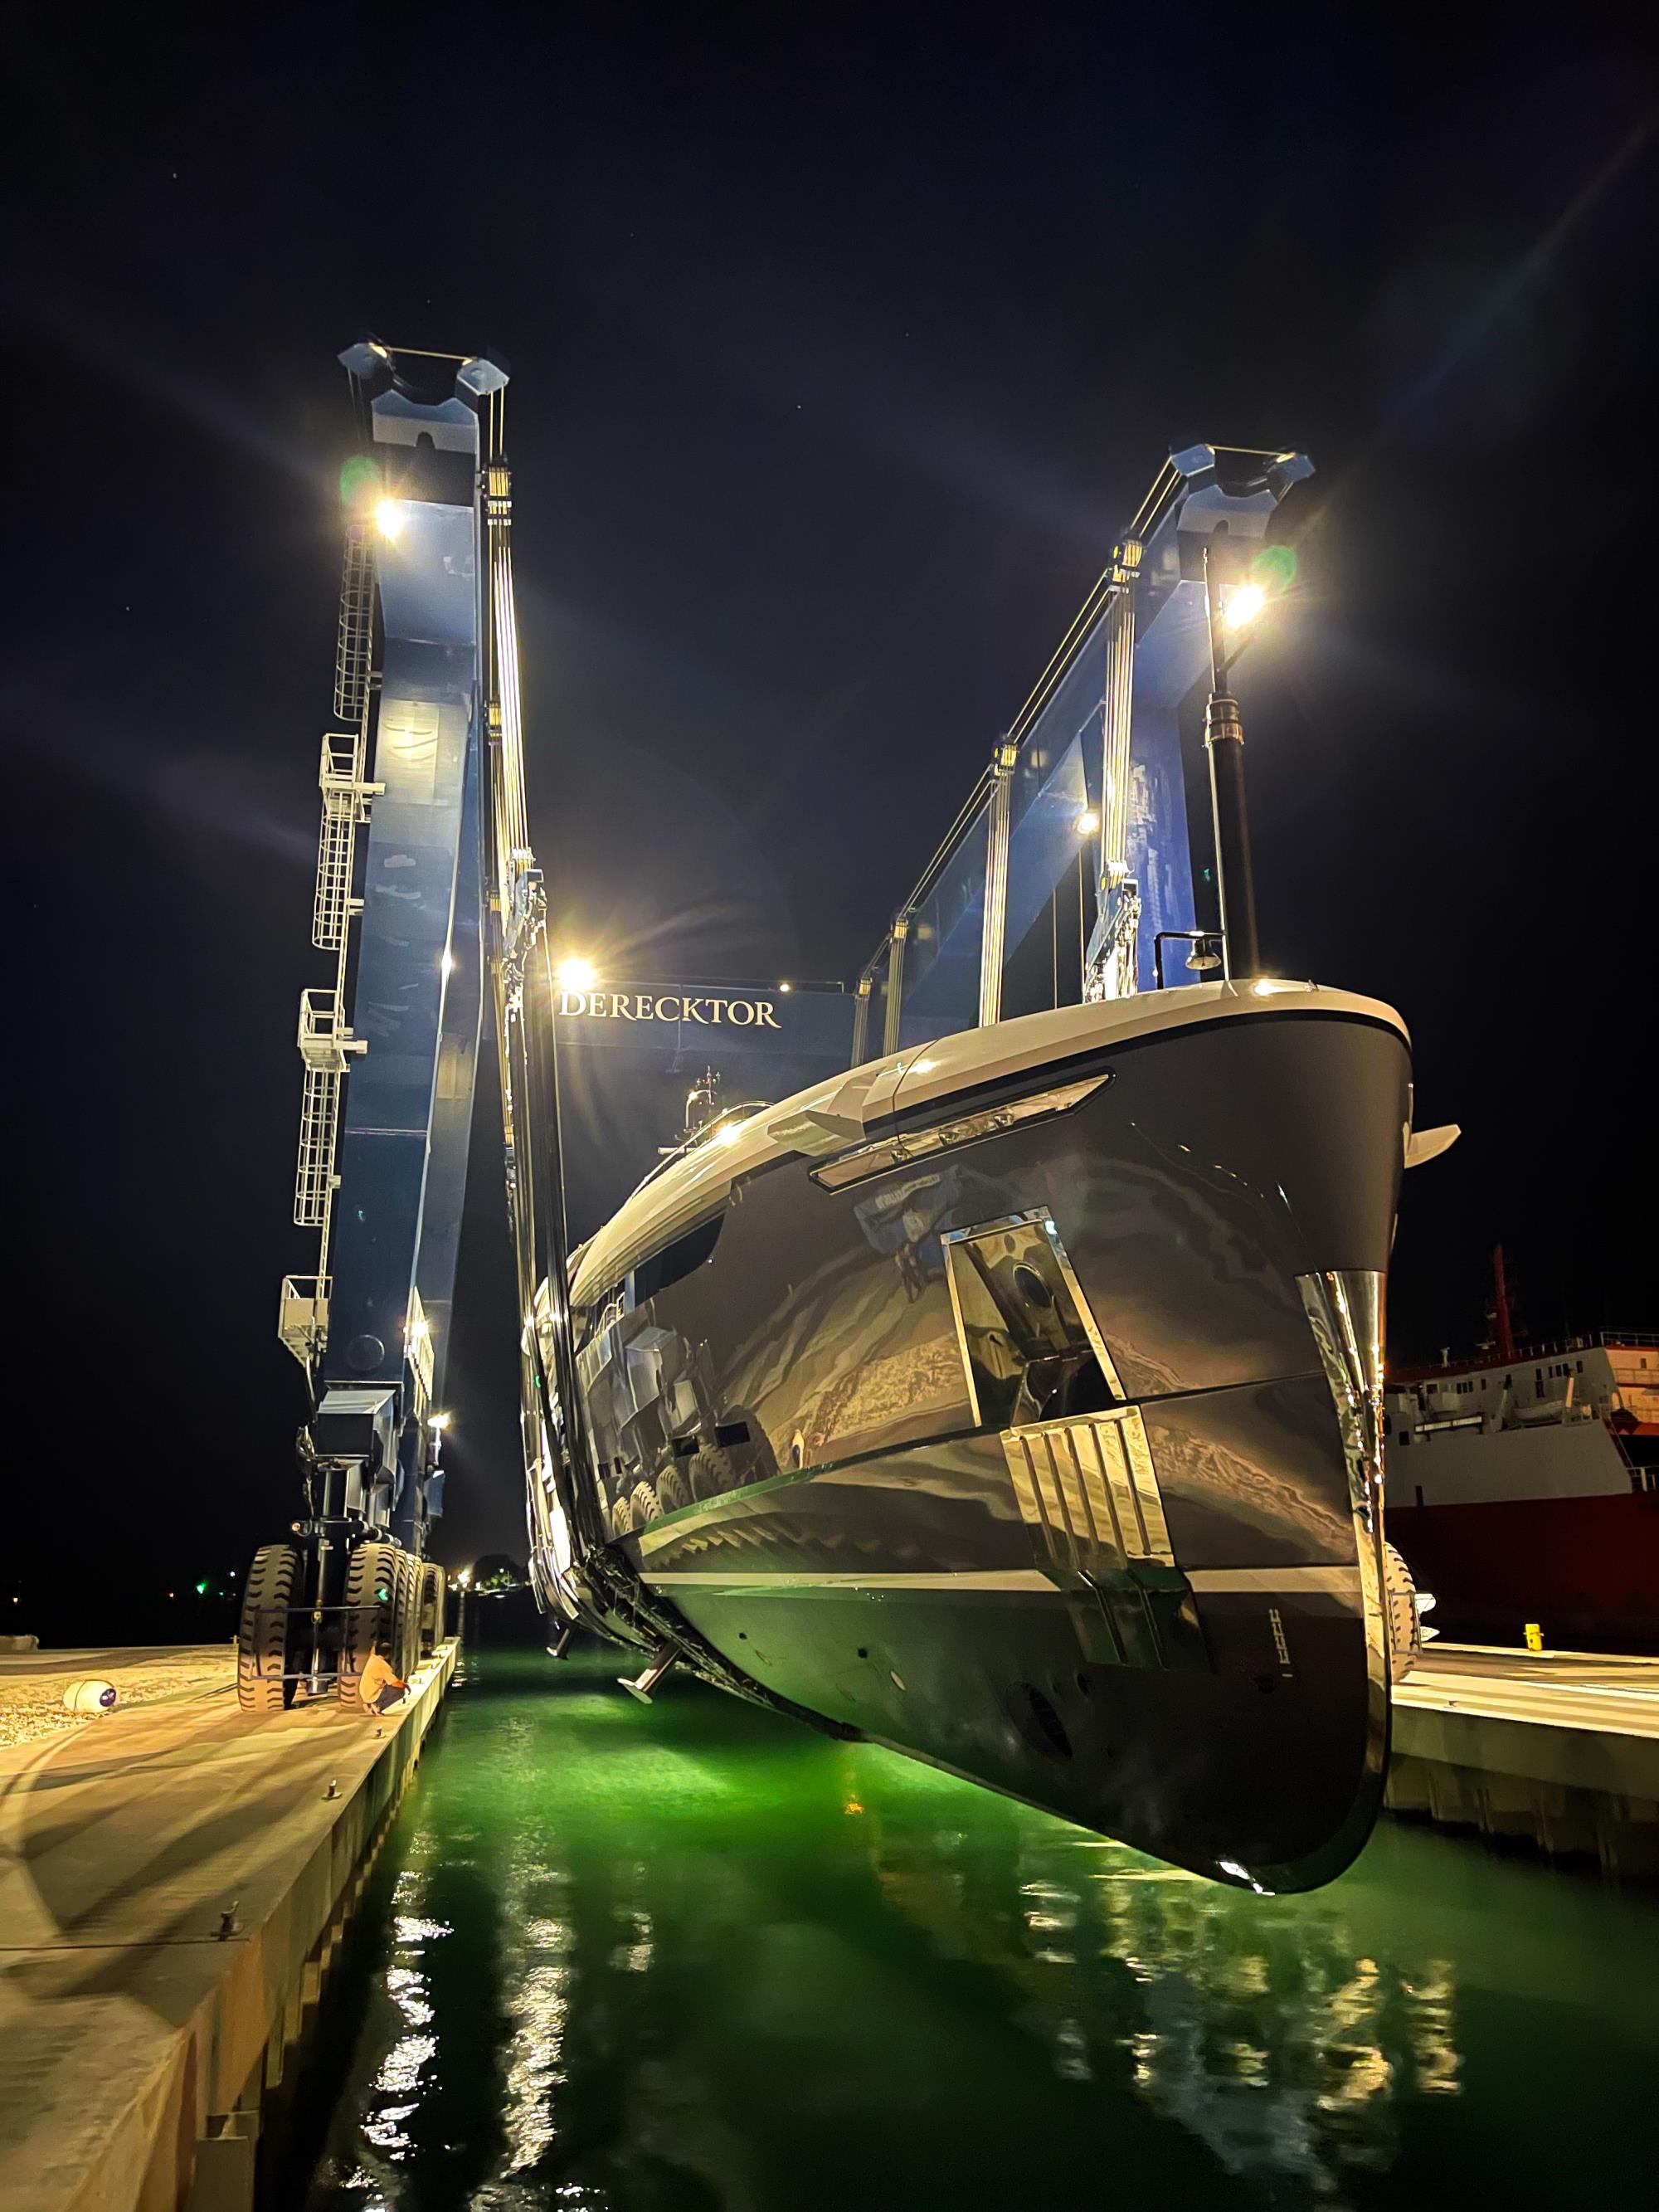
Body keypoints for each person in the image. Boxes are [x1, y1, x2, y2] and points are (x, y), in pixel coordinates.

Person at [358, 1640, 407, 1716]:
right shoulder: (383, 1666)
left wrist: (374, 1645)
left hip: (364, 1692)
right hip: (371, 1694)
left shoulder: (373, 1658)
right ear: (388, 1654)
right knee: (400, 1691)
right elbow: (395, 1683)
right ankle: (378, 1707)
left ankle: (370, 1704)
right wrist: (406, 1686)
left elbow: (372, 1652)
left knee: (386, 1684)